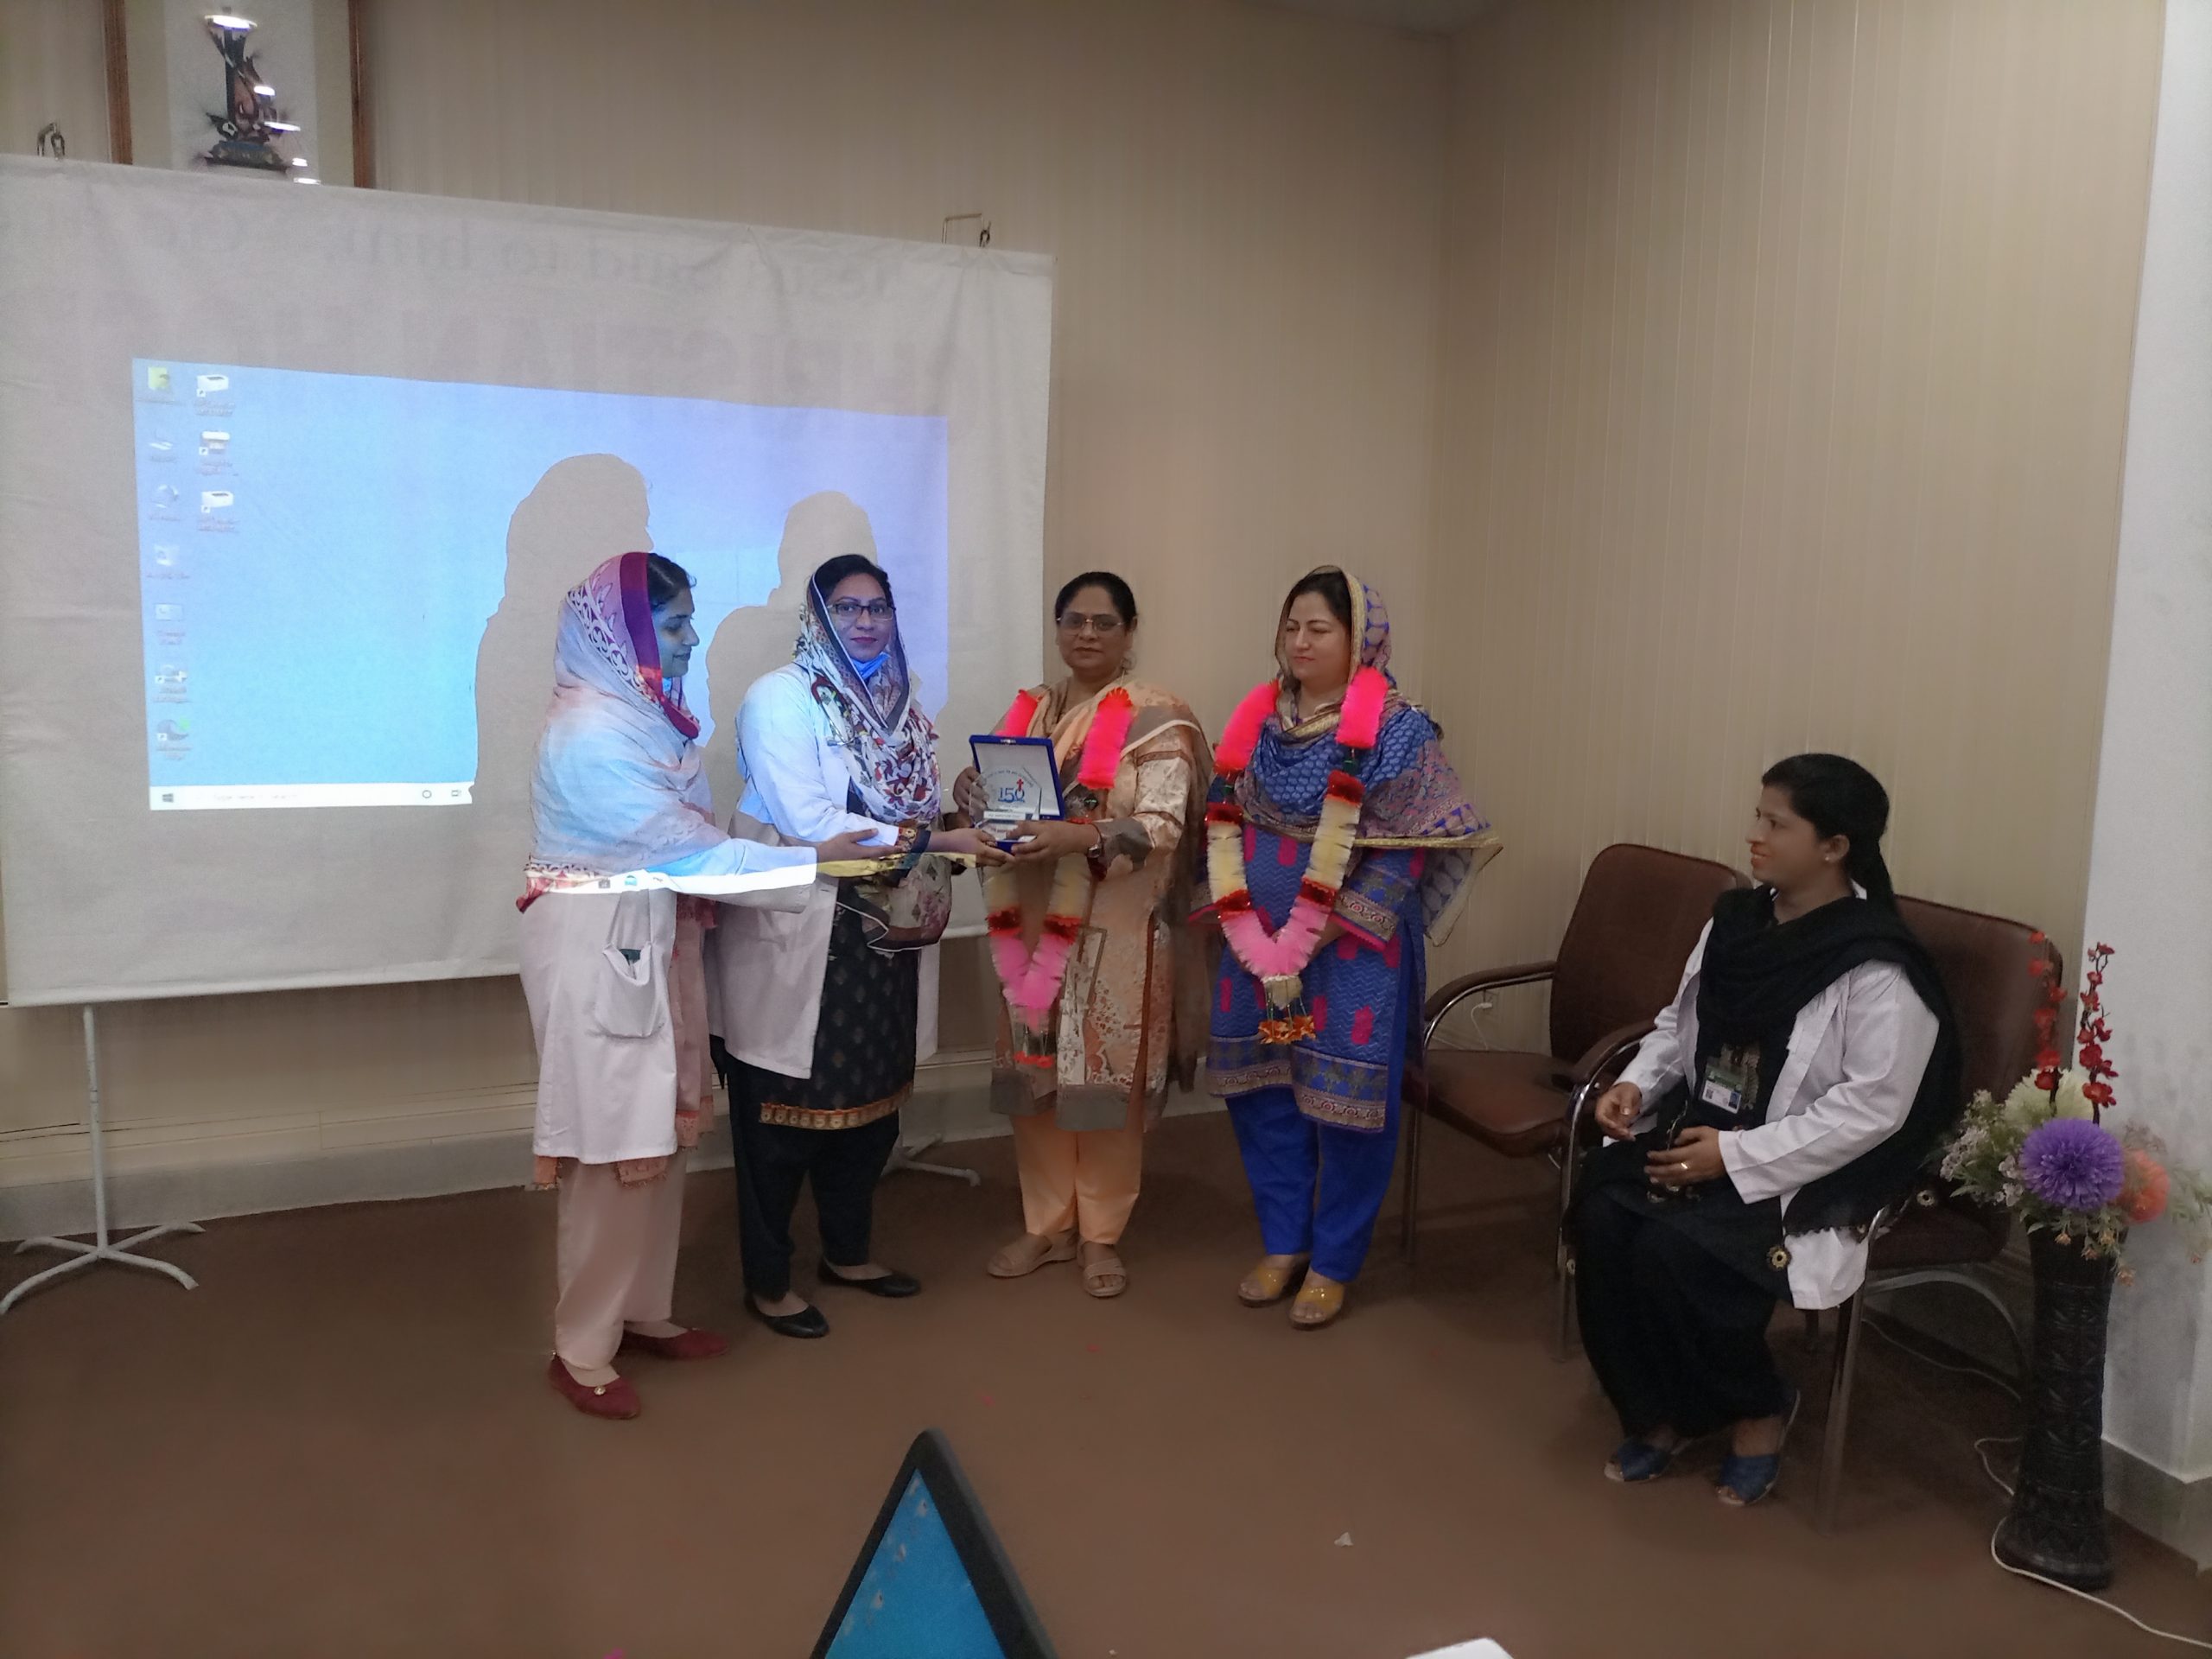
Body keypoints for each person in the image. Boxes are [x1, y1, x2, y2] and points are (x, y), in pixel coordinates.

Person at [518, 550, 874, 1421]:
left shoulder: (643, 720)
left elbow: (684, 853)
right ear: (622, 636)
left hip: (650, 940)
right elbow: (687, 854)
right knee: (610, 1152)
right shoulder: (589, 732)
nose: (688, 641)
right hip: (599, 949)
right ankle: (581, 1349)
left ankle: (642, 1312)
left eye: (686, 622)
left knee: (657, 1139)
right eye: (673, 626)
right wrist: (811, 859)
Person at [1572, 754, 1960, 1506]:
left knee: (1675, 1251)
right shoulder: (1735, 922)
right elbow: (1677, 1024)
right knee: (1604, 1216)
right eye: (1759, 816)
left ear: (1834, 846)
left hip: (1799, 1162)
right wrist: (1635, 1083)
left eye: (1777, 824)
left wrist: (1736, 1156)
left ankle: (1757, 1408)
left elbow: (1874, 1108)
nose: (1755, 834)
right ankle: (1660, 1411)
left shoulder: (1876, 966)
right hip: (1703, 1132)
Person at [709, 548, 1002, 1338]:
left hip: (884, 941)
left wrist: (957, 818)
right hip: (807, 931)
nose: (865, 622)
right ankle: (770, 1283)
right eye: (847, 608)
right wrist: (941, 839)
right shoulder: (781, 697)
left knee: (872, 1111)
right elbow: (811, 824)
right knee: (780, 1122)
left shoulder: (901, 706)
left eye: (878, 608)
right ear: (818, 616)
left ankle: (848, 1253)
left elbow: (913, 809)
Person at [1204, 567, 1497, 1329]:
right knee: (1265, 1093)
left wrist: (1313, 935)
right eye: (1291, 626)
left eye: (1320, 628)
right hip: (1254, 947)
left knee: (1346, 1108)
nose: (1300, 642)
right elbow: (1224, 820)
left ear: (1361, 640)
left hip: (1351, 951)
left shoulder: (1399, 731)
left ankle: (1334, 1260)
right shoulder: (1258, 721)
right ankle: (1284, 1243)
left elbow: (1412, 852)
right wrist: (1251, 926)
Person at [950, 572, 1211, 1299]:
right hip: (1029, 926)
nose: (1087, 634)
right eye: (1074, 620)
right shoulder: (1031, 709)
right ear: (1058, 628)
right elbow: (1002, 803)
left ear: (1130, 631)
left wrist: (1081, 835)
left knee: (1104, 1089)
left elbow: (1163, 826)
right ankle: (1046, 1224)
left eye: (1104, 622)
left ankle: (1101, 1234)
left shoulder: (1159, 718)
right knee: (1036, 1081)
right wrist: (971, 791)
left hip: (1116, 934)